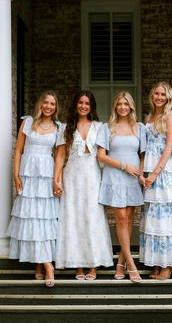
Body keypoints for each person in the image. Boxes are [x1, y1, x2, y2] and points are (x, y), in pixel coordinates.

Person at [53, 90, 113, 279]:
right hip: (72, 177)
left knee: (92, 218)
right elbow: (60, 155)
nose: (83, 106)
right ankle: (78, 265)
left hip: (92, 177)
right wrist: (56, 178)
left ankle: (93, 264)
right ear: (76, 105)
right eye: (80, 103)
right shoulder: (66, 127)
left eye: (87, 103)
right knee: (74, 218)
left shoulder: (100, 127)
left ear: (91, 106)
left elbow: (104, 155)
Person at [7, 90, 60, 287]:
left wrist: (57, 180)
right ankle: (44, 263)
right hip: (28, 175)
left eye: (52, 104)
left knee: (44, 219)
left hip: (46, 176)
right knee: (31, 217)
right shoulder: (28, 122)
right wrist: (15, 175)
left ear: (56, 108)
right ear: (40, 104)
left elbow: (59, 157)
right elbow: (19, 150)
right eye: (46, 102)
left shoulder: (58, 127)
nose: (48, 106)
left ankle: (45, 265)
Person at [96, 91, 146, 283]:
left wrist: (140, 173)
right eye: (120, 104)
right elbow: (101, 156)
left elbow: (142, 154)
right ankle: (131, 265)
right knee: (122, 218)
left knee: (129, 219)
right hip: (115, 175)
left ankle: (121, 261)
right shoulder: (107, 128)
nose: (123, 107)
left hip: (133, 178)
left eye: (126, 104)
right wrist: (124, 166)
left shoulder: (138, 127)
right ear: (115, 107)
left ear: (131, 106)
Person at [139, 81, 172, 280]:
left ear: (168, 97)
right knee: (153, 218)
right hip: (149, 169)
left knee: (167, 218)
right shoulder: (148, 116)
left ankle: (168, 264)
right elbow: (143, 147)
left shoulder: (171, 115)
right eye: (156, 93)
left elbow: (169, 146)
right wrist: (143, 172)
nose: (159, 97)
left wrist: (156, 173)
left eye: (163, 94)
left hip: (165, 171)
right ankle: (156, 262)